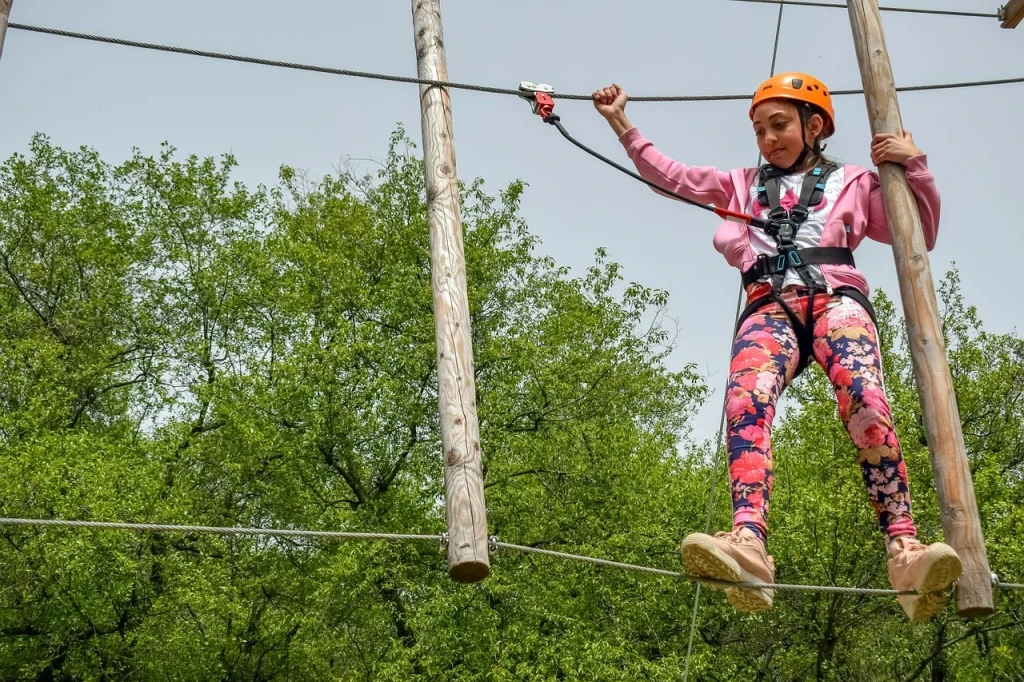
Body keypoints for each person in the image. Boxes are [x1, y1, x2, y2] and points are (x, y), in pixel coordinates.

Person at [591, 73, 962, 621]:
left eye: (780, 125)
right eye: (760, 129)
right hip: (769, 303)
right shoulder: (742, 184)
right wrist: (622, 123)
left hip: (835, 296)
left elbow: (918, 232)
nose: (768, 138)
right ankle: (749, 543)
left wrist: (914, 165)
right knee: (745, 402)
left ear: (815, 126)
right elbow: (670, 177)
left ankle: (903, 549)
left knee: (864, 399)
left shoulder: (855, 181)